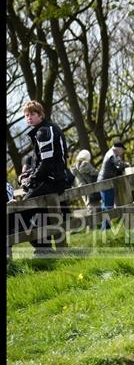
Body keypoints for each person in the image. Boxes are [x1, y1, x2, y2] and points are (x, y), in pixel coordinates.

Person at [18, 100, 72, 253]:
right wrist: (28, 175)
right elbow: (41, 162)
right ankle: (45, 249)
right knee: (41, 215)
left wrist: (30, 180)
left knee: (19, 213)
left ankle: (43, 248)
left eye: (32, 114)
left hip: (51, 181)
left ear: (41, 115)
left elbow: (47, 163)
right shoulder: (44, 130)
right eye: (26, 115)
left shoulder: (44, 132)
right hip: (53, 180)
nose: (29, 118)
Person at [97, 140, 129, 230]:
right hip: (105, 182)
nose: (123, 152)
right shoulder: (112, 155)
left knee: (106, 205)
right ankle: (105, 228)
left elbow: (118, 166)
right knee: (108, 205)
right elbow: (119, 164)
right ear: (118, 149)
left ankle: (105, 227)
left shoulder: (113, 154)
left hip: (105, 181)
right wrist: (127, 164)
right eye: (122, 150)